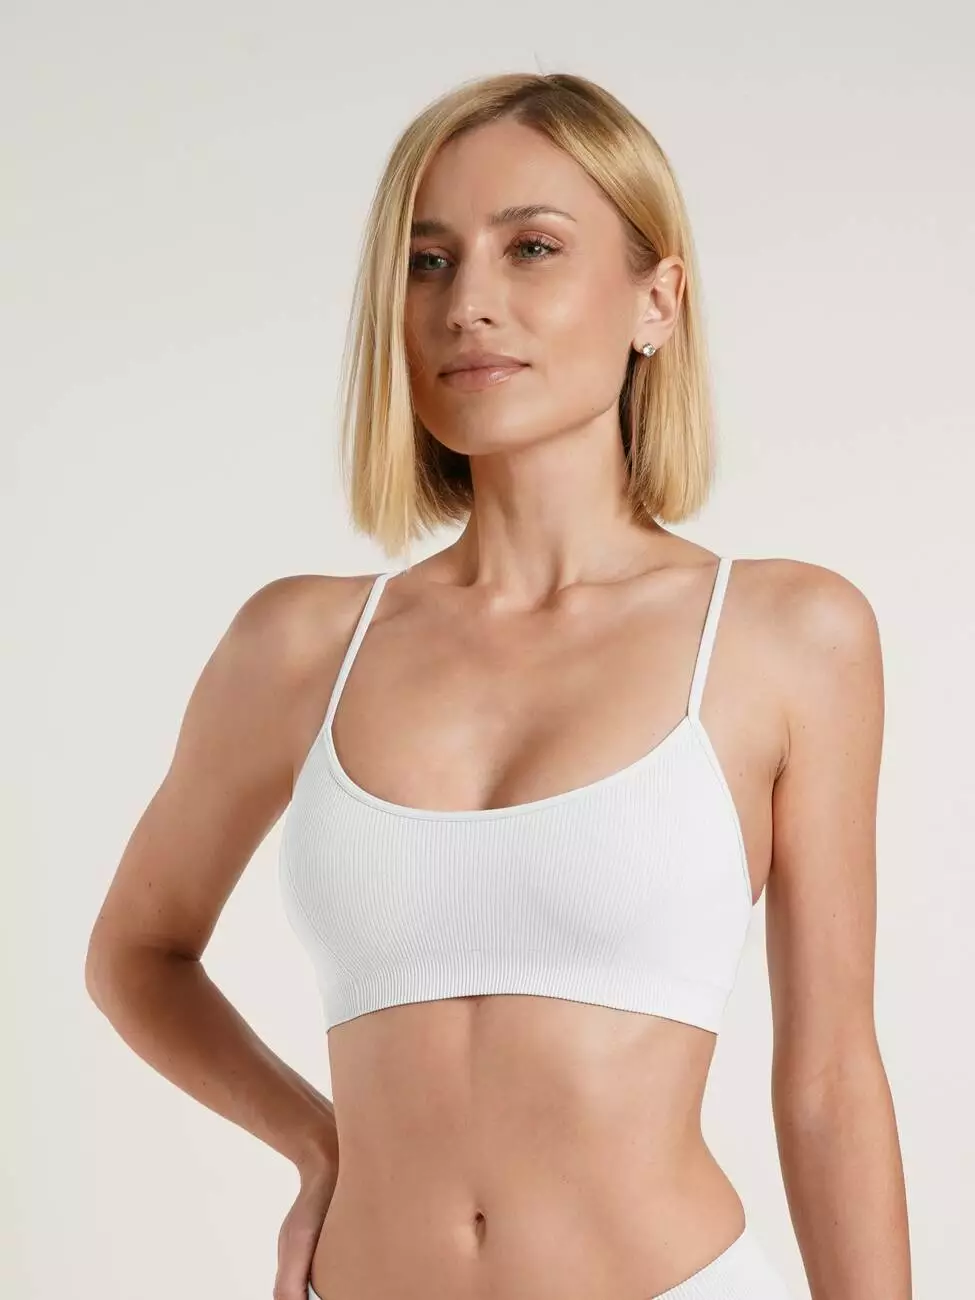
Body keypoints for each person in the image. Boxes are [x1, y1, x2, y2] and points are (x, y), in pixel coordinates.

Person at [85, 71, 911, 1300]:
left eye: (532, 248)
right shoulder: (301, 643)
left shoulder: (786, 634)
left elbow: (831, 1076)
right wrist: (315, 1140)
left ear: (657, 301)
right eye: (428, 262)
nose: (468, 303)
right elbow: (137, 953)